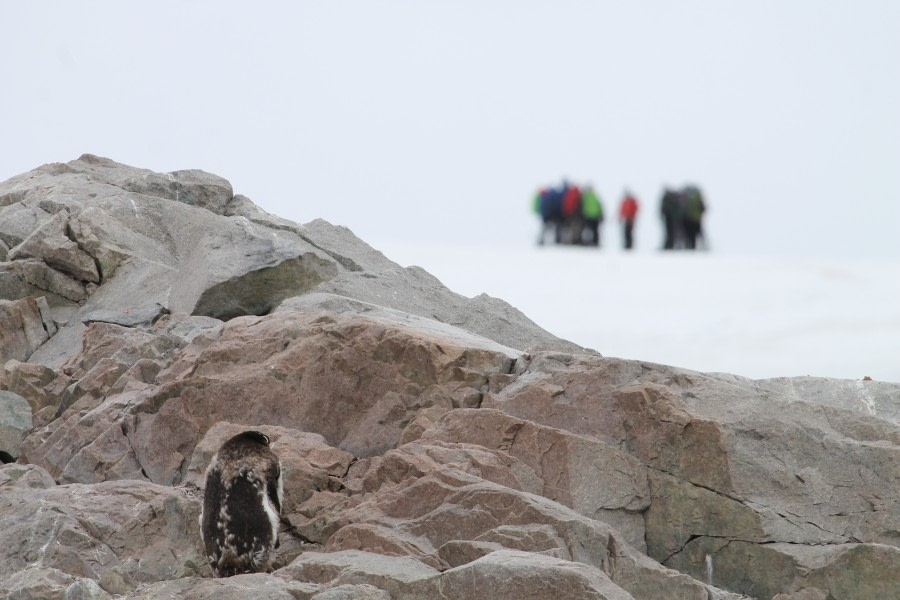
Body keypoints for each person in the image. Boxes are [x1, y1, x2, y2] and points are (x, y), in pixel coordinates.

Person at [682, 185, 706, 250]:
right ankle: (695, 247)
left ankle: (689, 248)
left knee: (688, 235)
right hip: (696, 220)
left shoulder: (685, 197)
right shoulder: (698, 197)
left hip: (688, 220)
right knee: (695, 235)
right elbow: (704, 208)